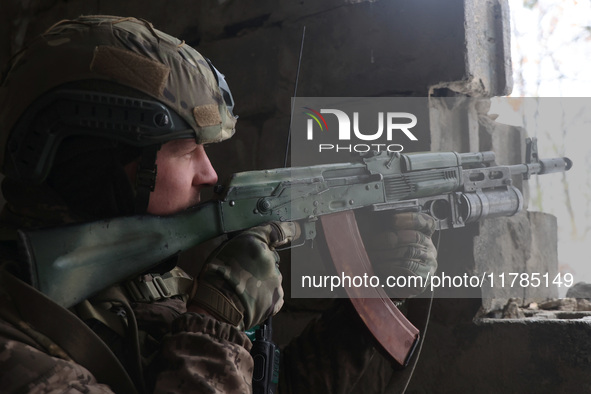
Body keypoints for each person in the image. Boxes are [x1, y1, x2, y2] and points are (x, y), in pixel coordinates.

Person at [0, 15, 437, 393]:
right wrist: (216, 323)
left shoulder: (147, 287)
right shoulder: (16, 347)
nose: (210, 174)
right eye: (186, 150)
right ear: (103, 163)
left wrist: (370, 299)